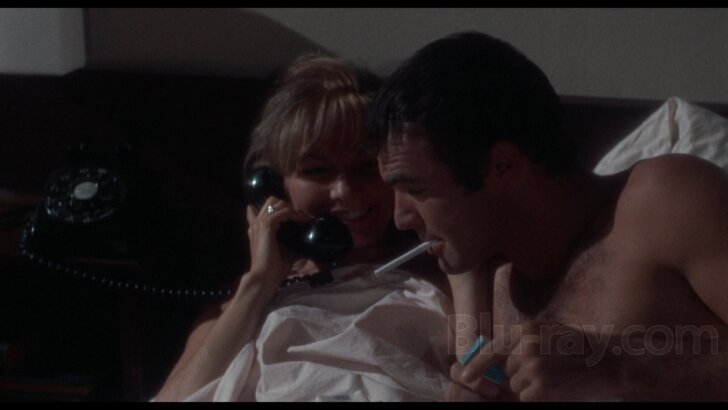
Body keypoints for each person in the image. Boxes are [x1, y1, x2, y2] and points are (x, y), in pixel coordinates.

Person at [368, 31, 728, 401]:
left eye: (416, 189)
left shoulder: (665, 200)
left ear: (501, 166)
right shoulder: (492, 275)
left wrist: (620, 369)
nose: (400, 219)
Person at [153, 54, 454, 402]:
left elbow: (486, 365)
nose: (345, 191)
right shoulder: (237, 302)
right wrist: (259, 284)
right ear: (274, 186)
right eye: (318, 171)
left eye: (366, 167)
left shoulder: (440, 276)